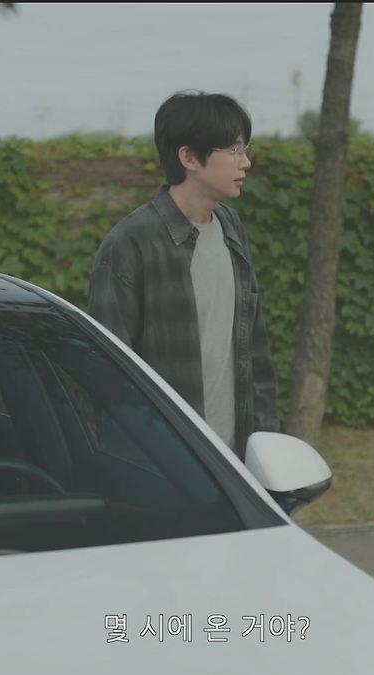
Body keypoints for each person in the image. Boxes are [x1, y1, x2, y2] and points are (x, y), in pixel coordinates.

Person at [88, 91, 279, 455]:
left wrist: (266, 442)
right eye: (234, 150)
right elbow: (110, 377)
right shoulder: (129, 244)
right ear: (189, 157)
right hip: (170, 463)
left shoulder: (231, 228)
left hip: (235, 460)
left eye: (245, 148)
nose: (246, 162)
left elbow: (254, 348)